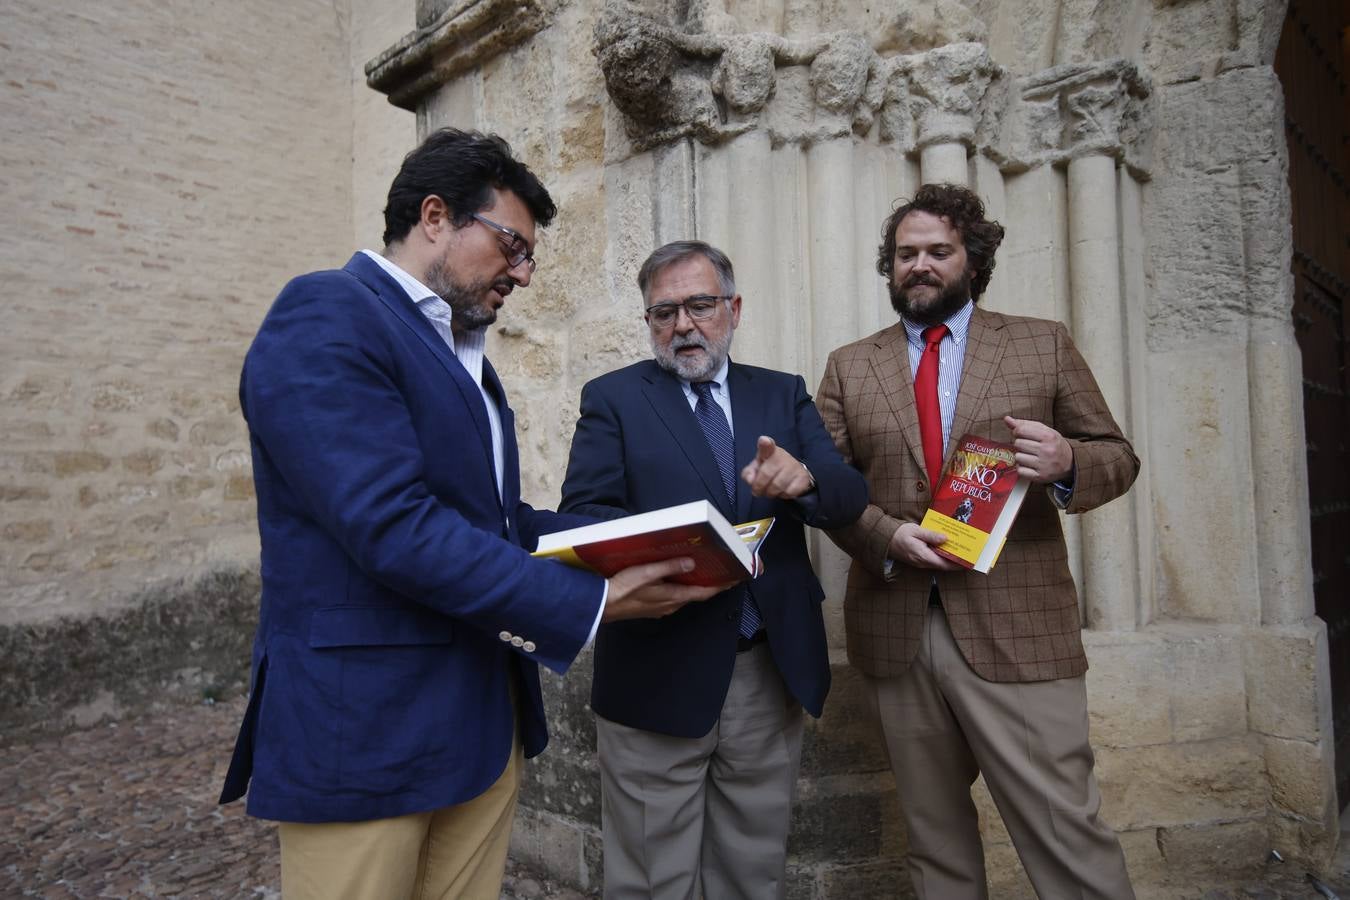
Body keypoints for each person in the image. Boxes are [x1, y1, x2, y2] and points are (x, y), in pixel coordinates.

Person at [217, 129, 721, 900]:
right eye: (511, 245)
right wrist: (589, 602)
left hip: (481, 722)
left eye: (529, 256)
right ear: (435, 217)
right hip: (368, 730)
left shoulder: (460, 352)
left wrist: (646, 540)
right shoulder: (325, 312)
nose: (523, 272)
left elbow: (497, 523)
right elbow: (392, 524)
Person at [815, 183, 1140, 899]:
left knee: (1067, 834)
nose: (920, 265)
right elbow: (824, 487)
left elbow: (1118, 457)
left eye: (939, 251)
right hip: (899, 629)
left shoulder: (1041, 343)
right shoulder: (849, 365)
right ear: (890, 265)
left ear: (972, 259)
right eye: (906, 253)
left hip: (1019, 628)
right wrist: (884, 535)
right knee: (935, 846)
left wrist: (1068, 462)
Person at [560, 240, 868, 899]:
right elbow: (584, 515)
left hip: (766, 668)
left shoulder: (782, 393)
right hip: (657, 669)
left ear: (734, 308)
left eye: (700, 305)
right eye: (664, 311)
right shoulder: (613, 398)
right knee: (651, 879)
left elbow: (848, 496)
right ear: (649, 321)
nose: (683, 324)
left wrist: (805, 479)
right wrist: (664, 544)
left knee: (751, 872)